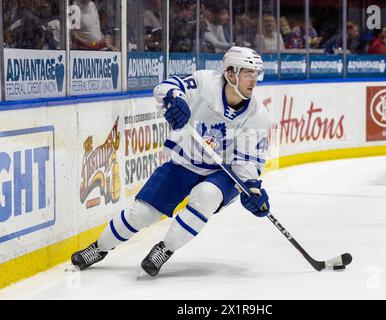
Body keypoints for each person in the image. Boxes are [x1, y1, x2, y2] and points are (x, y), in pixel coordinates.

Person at [71, 46, 272, 277]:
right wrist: (174, 100)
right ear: (230, 73)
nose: (254, 80)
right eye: (248, 73)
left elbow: (246, 161)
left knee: (206, 196)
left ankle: (164, 249)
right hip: (184, 162)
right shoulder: (205, 82)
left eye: (256, 74)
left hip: (222, 173)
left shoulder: (258, 115)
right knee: (142, 213)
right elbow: (166, 87)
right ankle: (99, 248)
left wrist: (251, 188)